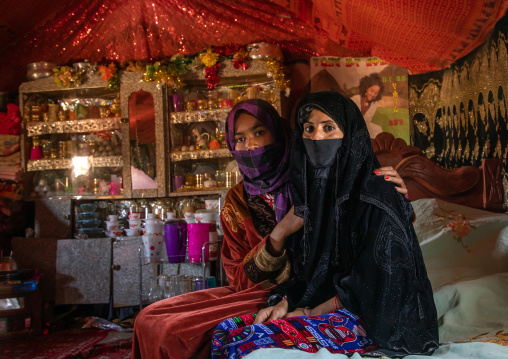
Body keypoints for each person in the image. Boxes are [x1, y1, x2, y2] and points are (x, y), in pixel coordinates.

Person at [132, 99, 408, 359]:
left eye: (259, 132)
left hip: (305, 290)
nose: (250, 146)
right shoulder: (236, 200)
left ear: (279, 135)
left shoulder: (315, 179)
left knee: (176, 333)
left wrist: (395, 197)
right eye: (240, 138)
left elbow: (372, 235)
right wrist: (278, 235)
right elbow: (238, 280)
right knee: (149, 318)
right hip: (255, 291)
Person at [211, 92, 438, 358]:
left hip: (380, 320)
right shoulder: (317, 194)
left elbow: (376, 280)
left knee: (247, 345)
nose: (317, 138)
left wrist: (306, 313)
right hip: (331, 306)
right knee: (226, 333)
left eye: (328, 128)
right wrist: (286, 303)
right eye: (309, 128)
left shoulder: (377, 190)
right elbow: (316, 272)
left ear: (350, 133)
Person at [351, 73, 384, 138]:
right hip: (351, 125)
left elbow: (367, 122)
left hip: (364, 126)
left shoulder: (373, 106)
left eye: (376, 93)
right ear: (366, 88)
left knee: (378, 129)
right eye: (372, 91)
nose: (373, 94)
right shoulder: (355, 99)